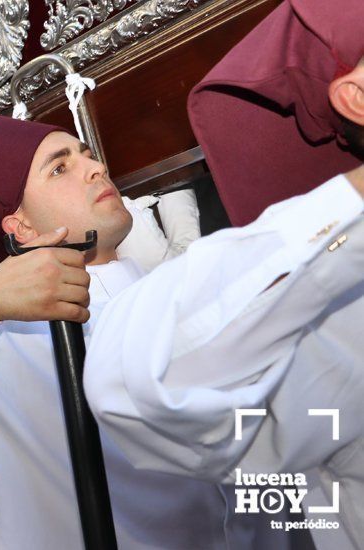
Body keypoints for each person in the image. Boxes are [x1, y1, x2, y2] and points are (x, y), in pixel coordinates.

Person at [0, 113, 312, 549]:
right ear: (19, 227)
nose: (95, 167)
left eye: (87, 154)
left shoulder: (172, 290)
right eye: (60, 168)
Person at [84, 0, 364, 546]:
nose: (95, 168)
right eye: (62, 167)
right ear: (355, 97)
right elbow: (130, 381)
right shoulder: (336, 312)